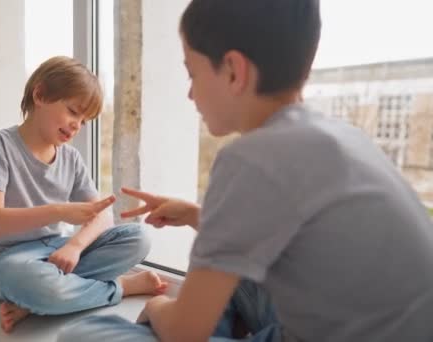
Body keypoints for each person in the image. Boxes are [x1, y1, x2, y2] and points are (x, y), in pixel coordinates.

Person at [57, 0, 433, 341]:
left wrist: (157, 309)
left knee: (83, 335)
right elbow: (294, 240)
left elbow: (185, 331)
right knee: (234, 280)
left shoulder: (250, 158)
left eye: (192, 74)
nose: (190, 94)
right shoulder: (342, 136)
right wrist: (193, 215)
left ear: (234, 71)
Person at [0, 56, 167, 333]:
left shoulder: (70, 158)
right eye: (73, 112)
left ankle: (35, 301)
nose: (77, 126)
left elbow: (102, 216)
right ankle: (119, 287)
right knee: (38, 283)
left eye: (84, 121)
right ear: (40, 94)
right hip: (3, 261)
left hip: (54, 252)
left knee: (137, 237)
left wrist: (76, 245)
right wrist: (60, 211)